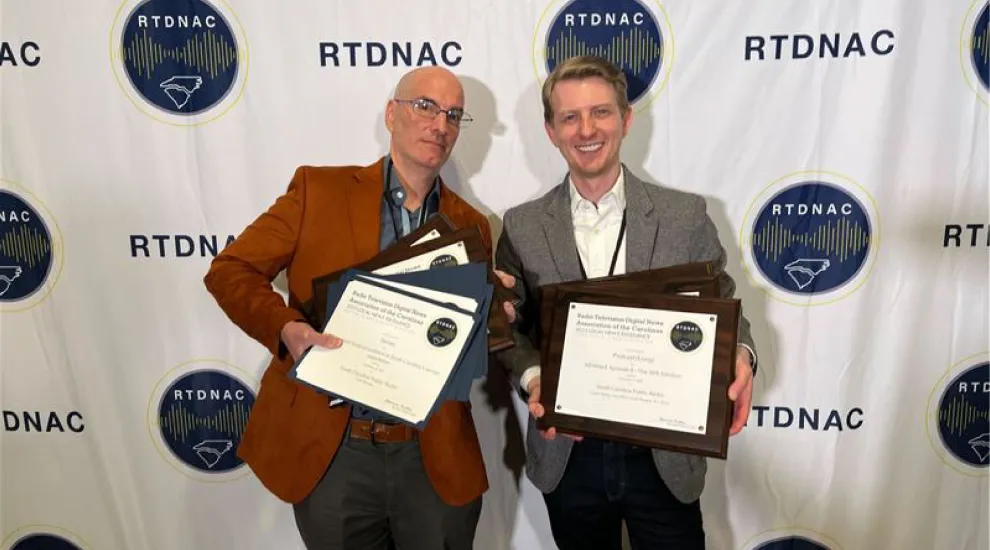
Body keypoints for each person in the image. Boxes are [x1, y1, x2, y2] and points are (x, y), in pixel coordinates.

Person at [203, 66, 493, 550]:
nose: (439, 124)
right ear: (391, 114)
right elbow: (230, 270)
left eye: (453, 114)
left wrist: (494, 315)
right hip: (335, 452)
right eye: (425, 106)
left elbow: (463, 341)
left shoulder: (472, 225)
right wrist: (288, 329)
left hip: (434, 454)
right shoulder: (318, 191)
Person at [494, 55, 758, 549]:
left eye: (600, 112)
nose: (586, 129)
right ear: (551, 130)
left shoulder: (685, 216)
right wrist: (534, 378)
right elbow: (509, 328)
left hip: (663, 452)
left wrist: (742, 354)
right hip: (569, 454)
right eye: (569, 117)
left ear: (626, 119)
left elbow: (724, 304)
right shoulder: (523, 226)